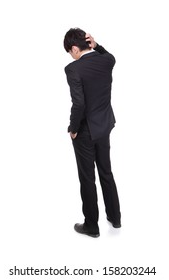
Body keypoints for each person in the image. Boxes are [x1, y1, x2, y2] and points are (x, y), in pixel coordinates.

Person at [64, 28, 121, 238]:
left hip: (85, 131)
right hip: (104, 126)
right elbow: (109, 56)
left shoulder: (73, 69)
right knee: (106, 172)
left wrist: (73, 128)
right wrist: (97, 46)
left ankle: (91, 226)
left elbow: (78, 104)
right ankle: (115, 218)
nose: (72, 56)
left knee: (87, 178)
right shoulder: (106, 61)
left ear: (75, 48)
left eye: (71, 51)